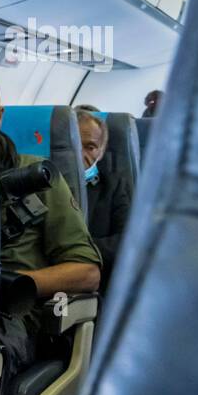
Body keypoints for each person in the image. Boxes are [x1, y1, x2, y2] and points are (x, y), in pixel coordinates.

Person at [0, 72, 101, 378]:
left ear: (0, 116)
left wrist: (12, 286)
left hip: (9, 317)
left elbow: (87, 272)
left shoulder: (37, 177)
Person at [74, 106, 132, 291]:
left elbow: (126, 241)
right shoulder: (40, 181)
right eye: (74, 144)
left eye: (90, 147)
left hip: (98, 282)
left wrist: (75, 251)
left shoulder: (114, 186)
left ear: (101, 151)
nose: (80, 154)